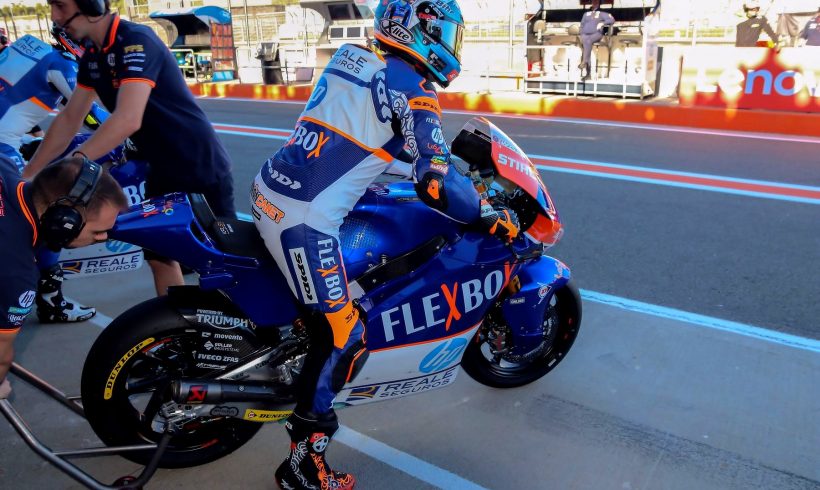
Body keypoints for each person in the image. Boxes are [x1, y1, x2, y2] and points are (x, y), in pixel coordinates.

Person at [251, 1, 519, 488]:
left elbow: (363, 137)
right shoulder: (415, 92)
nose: (453, 48)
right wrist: (484, 212)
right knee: (345, 335)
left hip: (271, 187)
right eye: (450, 36)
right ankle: (302, 463)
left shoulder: (351, 56)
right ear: (424, 30)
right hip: (303, 220)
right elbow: (435, 185)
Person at [28, 0, 236, 297]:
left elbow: (128, 119)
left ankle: (245, 336)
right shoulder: (93, 56)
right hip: (160, 169)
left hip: (199, 164)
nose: (55, 16)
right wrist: (30, 174)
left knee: (221, 262)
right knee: (160, 257)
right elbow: (69, 118)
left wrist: (74, 163)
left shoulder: (136, 41)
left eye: (61, 6)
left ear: (92, 4)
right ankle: (174, 330)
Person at [0, 31, 108, 323]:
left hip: (7, 140)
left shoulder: (28, 45)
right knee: (43, 220)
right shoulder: (63, 66)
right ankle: (50, 302)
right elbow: (91, 117)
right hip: (1, 148)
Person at [0, 155, 128, 401]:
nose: (103, 239)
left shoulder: (5, 163)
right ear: (64, 221)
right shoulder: (16, 271)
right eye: (98, 231)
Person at [579, 0, 614, 80]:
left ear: (599, 3)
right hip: (585, 35)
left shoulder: (602, 13)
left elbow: (612, 20)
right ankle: (587, 69)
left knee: (586, 45)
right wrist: (582, 33)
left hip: (597, 34)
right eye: (593, 2)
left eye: (596, 2)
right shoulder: (586, 14)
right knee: (587, 45)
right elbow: (582, 24)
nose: (594, 3)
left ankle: (585, 66)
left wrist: (602, 23)